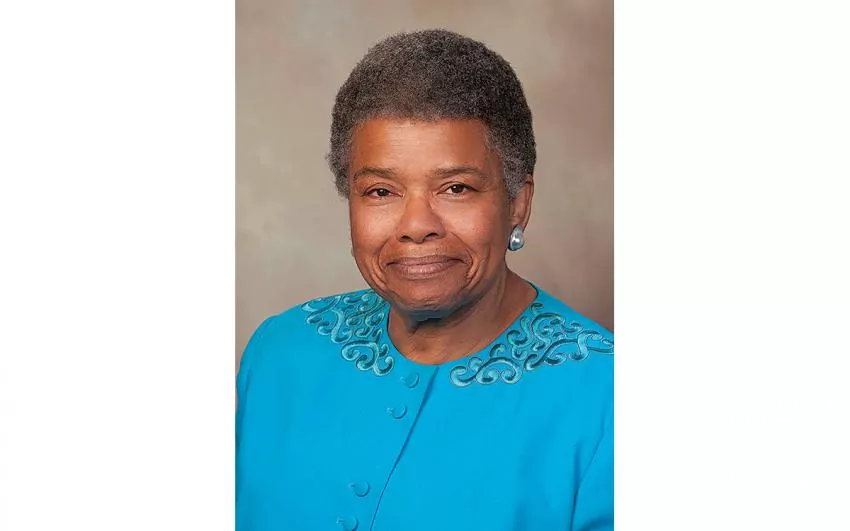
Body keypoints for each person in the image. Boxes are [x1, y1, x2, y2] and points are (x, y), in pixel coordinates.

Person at [236, 29, 613, 531]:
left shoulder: (607, 397)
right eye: (381, 191)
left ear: (518, 204)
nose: (416, 226)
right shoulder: (279, 353)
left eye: (455, 188)